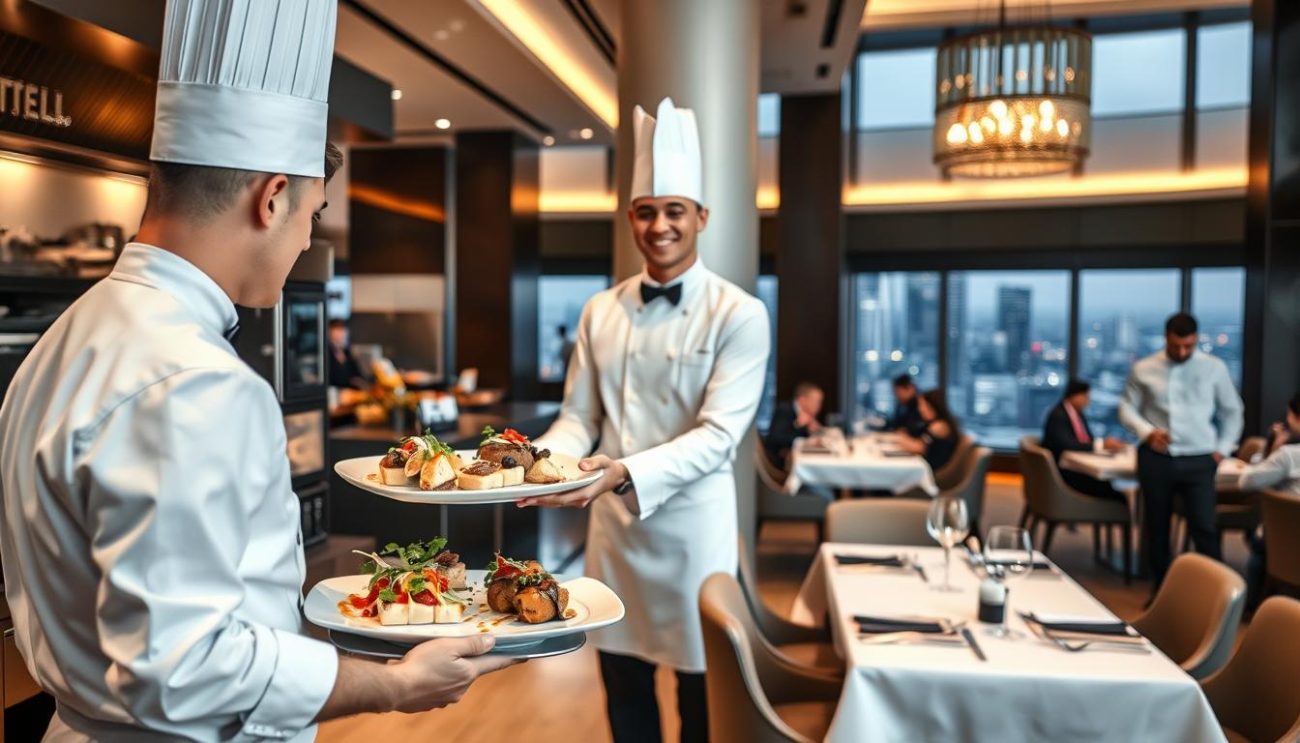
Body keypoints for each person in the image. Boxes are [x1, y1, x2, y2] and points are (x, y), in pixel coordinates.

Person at [0, 3, 513, 740]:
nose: (308, 241)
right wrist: (395, 684)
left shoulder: (65, 337)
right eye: (314, 213)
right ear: (272, 198)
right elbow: (185, 666)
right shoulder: (197, 379)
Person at [518, 98, 770, 743]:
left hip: (693, 534)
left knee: (700, 697)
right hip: (618, 537)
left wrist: (622, 470)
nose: (660, 225)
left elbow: (719, 437)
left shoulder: (738, 314)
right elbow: (579, 416)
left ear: (701, 218)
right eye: (647, 211)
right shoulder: (601, 309)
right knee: (623, 688)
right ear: (631, 217)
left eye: (674, 211)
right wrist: (532, 464)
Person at [1119, 312, 1244, 589]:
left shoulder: (1214, 368)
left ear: (1196, 340)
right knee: (1156, 527)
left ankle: (1217, 593)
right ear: (1166, 338)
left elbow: (1233, 412)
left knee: (1205, 527)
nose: (1182, 351)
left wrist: (1222, 449)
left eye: (1188, 345)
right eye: (1176, 346)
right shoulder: (1143, 368)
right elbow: (1126, 408)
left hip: (1201, 459)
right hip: (1156, 458)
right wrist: (1147, 432)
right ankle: (1161, 590)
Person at [1237, 393, 1300, 609]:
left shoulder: (1289, 455)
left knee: (1259, 537)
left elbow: (1246, 481)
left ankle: (1252, 603)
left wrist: (1272, 451)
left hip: (1288, 542)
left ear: (1294, 417)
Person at [1042, 379, 1127, 502]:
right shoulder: (1058, 415)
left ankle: (1105, 517)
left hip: (1074, 469)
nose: (1088, 401)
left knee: (1107, 485)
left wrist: (1105, 445)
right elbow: (1067, 445)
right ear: (1075, 396)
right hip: (1063, 475)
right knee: (1115, 495)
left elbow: (1088, 439)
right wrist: (1102, 444)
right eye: (1085, 397)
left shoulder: (1077, 414)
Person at [765, 381, 824, 470]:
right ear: (802, 400)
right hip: (779, 462)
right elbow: (776, 438)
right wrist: (798, 425)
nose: (819, 406)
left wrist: (811, 429)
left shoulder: (805, 414)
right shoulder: (785, 410)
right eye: (816, 402)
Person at [898, 389, 960, 472]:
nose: (920, 409)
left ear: (931, 406)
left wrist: (901, 439)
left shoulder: (939, 426)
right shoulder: (939, 423)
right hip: (931, 468)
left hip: (936, 472)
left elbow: (919, 448)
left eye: (922, 405)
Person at [328, 318, 369, 390]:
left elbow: (357, 374)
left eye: (342, 330)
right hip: (335, 394)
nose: (340, 333)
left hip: (351, 394)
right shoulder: (327, 353)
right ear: (329, 332)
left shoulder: (347, 352)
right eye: (337, 329)